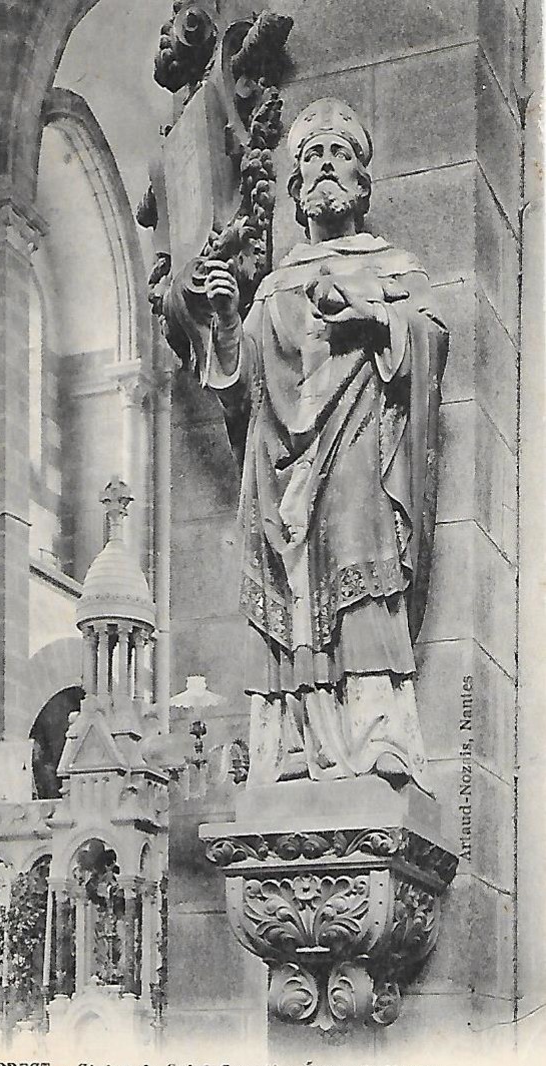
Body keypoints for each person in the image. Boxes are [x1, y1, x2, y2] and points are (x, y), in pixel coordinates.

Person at [203, 99, 449, 791]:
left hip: (359, 451)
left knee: (359, 567)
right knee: (292, 583)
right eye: (312, 158)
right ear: (296, 187)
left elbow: (431, 338)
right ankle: (288, 741)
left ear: (363, 184)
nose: (325, 169)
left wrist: (372, 310)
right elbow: (240, 389)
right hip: (279, 469)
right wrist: (226, 323)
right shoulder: (276, 284)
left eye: (340, 156)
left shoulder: (394, 265)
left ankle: (376, 735)